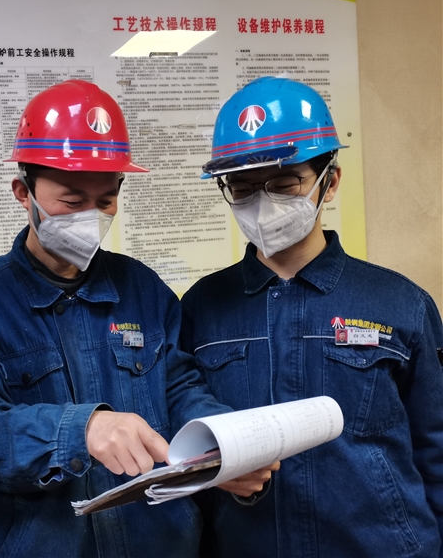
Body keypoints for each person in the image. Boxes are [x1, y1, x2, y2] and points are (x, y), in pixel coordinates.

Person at [0, 79, 275, 557]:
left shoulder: (142, 288)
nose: (90, 217)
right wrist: (80, 431)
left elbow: (179, 387)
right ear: (23, 192)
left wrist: (219, 439)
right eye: (72, 202)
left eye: (105, 201)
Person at [180, 76, 443, 557]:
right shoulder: (202, 307)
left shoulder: (400, 303)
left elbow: (437, 447)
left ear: (330, 181)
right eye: (241, 188)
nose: (262, 203)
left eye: (284, 184)